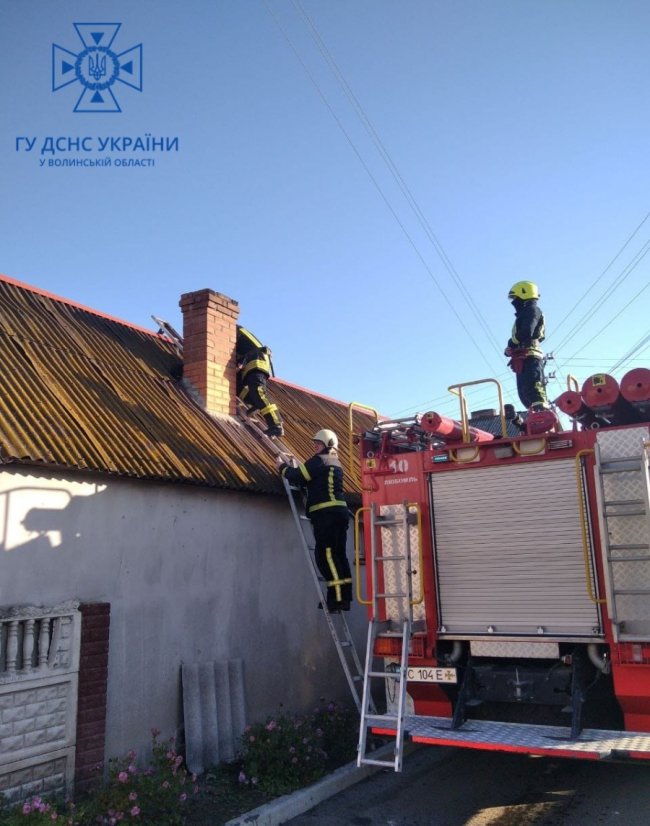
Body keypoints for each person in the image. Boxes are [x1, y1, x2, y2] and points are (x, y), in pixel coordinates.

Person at [277, 429, 353, 612]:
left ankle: (335, 599)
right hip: (339, 514)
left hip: (326, 515)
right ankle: (344, 598)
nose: (314, 447)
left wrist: (281, 467)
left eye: (318, 444)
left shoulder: (319, 461)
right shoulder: (335, 462)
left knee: (325, 556)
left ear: (328, 445)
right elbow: (311, 479)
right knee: (339, 556)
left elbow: (297, 476)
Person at [505, 280, 549, 409]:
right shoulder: (525, 314)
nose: (514, 302)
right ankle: (534, 414)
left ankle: (542, 413)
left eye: (515, 298)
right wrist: (511, 348)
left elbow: (527, 331)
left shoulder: (532, 311)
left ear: (523, 294)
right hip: (522, 356)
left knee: (533, 388)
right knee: (524, 393)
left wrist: (511, 343)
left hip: (531, 356)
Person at [236, 326, 284, 437]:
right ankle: (255, 402)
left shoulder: (232, 330)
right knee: (237, 387)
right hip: (249, 362)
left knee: (258, 391)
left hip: (257, 360)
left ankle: (276, 425)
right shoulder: (236, 335)